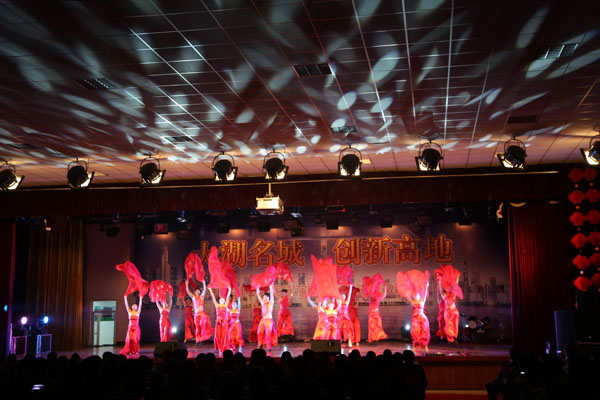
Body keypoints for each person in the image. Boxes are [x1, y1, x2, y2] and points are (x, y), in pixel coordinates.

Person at [186, 279, 213, 344]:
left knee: (202, 325)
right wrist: (186, 284)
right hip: (196, 314)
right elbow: (188, 292)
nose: (197, 292)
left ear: (199, 292)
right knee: (197, 327)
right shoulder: (193, 298)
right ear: (195, 292)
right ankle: (198, 340)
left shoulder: (201, 297)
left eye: (198, 291)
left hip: (202, 314)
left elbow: (204, 290)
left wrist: (204, 283)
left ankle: (202, 338)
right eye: (196, 291)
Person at [209, 287, 231, 356]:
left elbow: (228, 297)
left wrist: (229, 289)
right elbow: (213, 297)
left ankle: (224, 347)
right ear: (219, 300)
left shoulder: (225, 305)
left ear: (224, 301)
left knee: (224, 335)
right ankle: (219, 347)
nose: (222, 299)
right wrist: (210, 290)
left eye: (223, 299)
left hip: (224, 321)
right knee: (218, 335)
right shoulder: (217, 305)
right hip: (218, 322)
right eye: (220, 298)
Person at [256, 283, 277, 351]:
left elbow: (272, 295)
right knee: (259, 332)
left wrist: (270, 287)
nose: (264, 298)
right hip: (263, 320)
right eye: (263, 297)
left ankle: (269, 347)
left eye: (266, 297)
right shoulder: (262, 303)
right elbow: (258, 294)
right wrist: (257, 287)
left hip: (269, 320)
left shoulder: (271, 303)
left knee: (268, 334)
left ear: (268, 298)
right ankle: (260, 344)